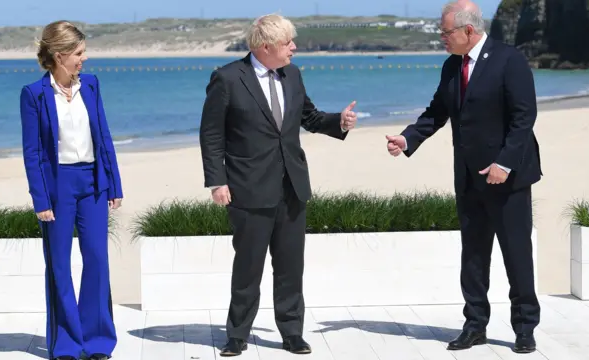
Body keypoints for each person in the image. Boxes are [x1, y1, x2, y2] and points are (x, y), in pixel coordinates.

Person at [385, 0, 541, 354]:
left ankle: (524, 327)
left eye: (446, 31)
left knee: (516, 254)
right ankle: (475, 325)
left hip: (508, 177)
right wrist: (408, 138)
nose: (442, 37)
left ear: (468, 30)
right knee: (472, 256)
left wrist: (505, 163)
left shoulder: (509, 60)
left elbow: (523, 117)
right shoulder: (451, 66)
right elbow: (437, 111)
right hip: (469, 178)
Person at [199, 13, 357, 357]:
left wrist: (339, 122)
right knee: (248, 268)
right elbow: (211, 135)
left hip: (292, 187)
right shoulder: (226, 78)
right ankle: (237, 335)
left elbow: (310, 117)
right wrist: (217, 182)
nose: (294, 48)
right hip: (247, 188)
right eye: (288, 43)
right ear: (266, 46)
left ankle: (291, 333)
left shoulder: (293, 75)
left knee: (290, 267)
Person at [19, 20, 123, 360]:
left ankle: (97, 343)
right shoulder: (33, 95)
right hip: (58, 186)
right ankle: (66, 345)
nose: (85, 59)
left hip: (92, 183)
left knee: (97, 260)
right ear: (60, 55)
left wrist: (114, 183)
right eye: (79, 53)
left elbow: (103, 136)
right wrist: (41, 199)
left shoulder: (91, 86)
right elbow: (32, 151)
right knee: (59, 266)